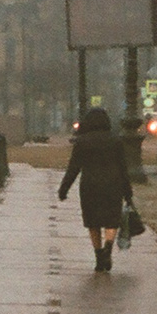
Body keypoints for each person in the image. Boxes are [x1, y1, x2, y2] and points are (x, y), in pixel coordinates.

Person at [56, 106, 137, 272]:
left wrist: (64, 189)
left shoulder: (82, 142)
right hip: (113, 184)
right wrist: (128, 193)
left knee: (93, 222)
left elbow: (73, 168)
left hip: (90, 185)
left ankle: (99, 256)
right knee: (112, 220)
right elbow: (123, 168)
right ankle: (108, 246)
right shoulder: (115, 141)